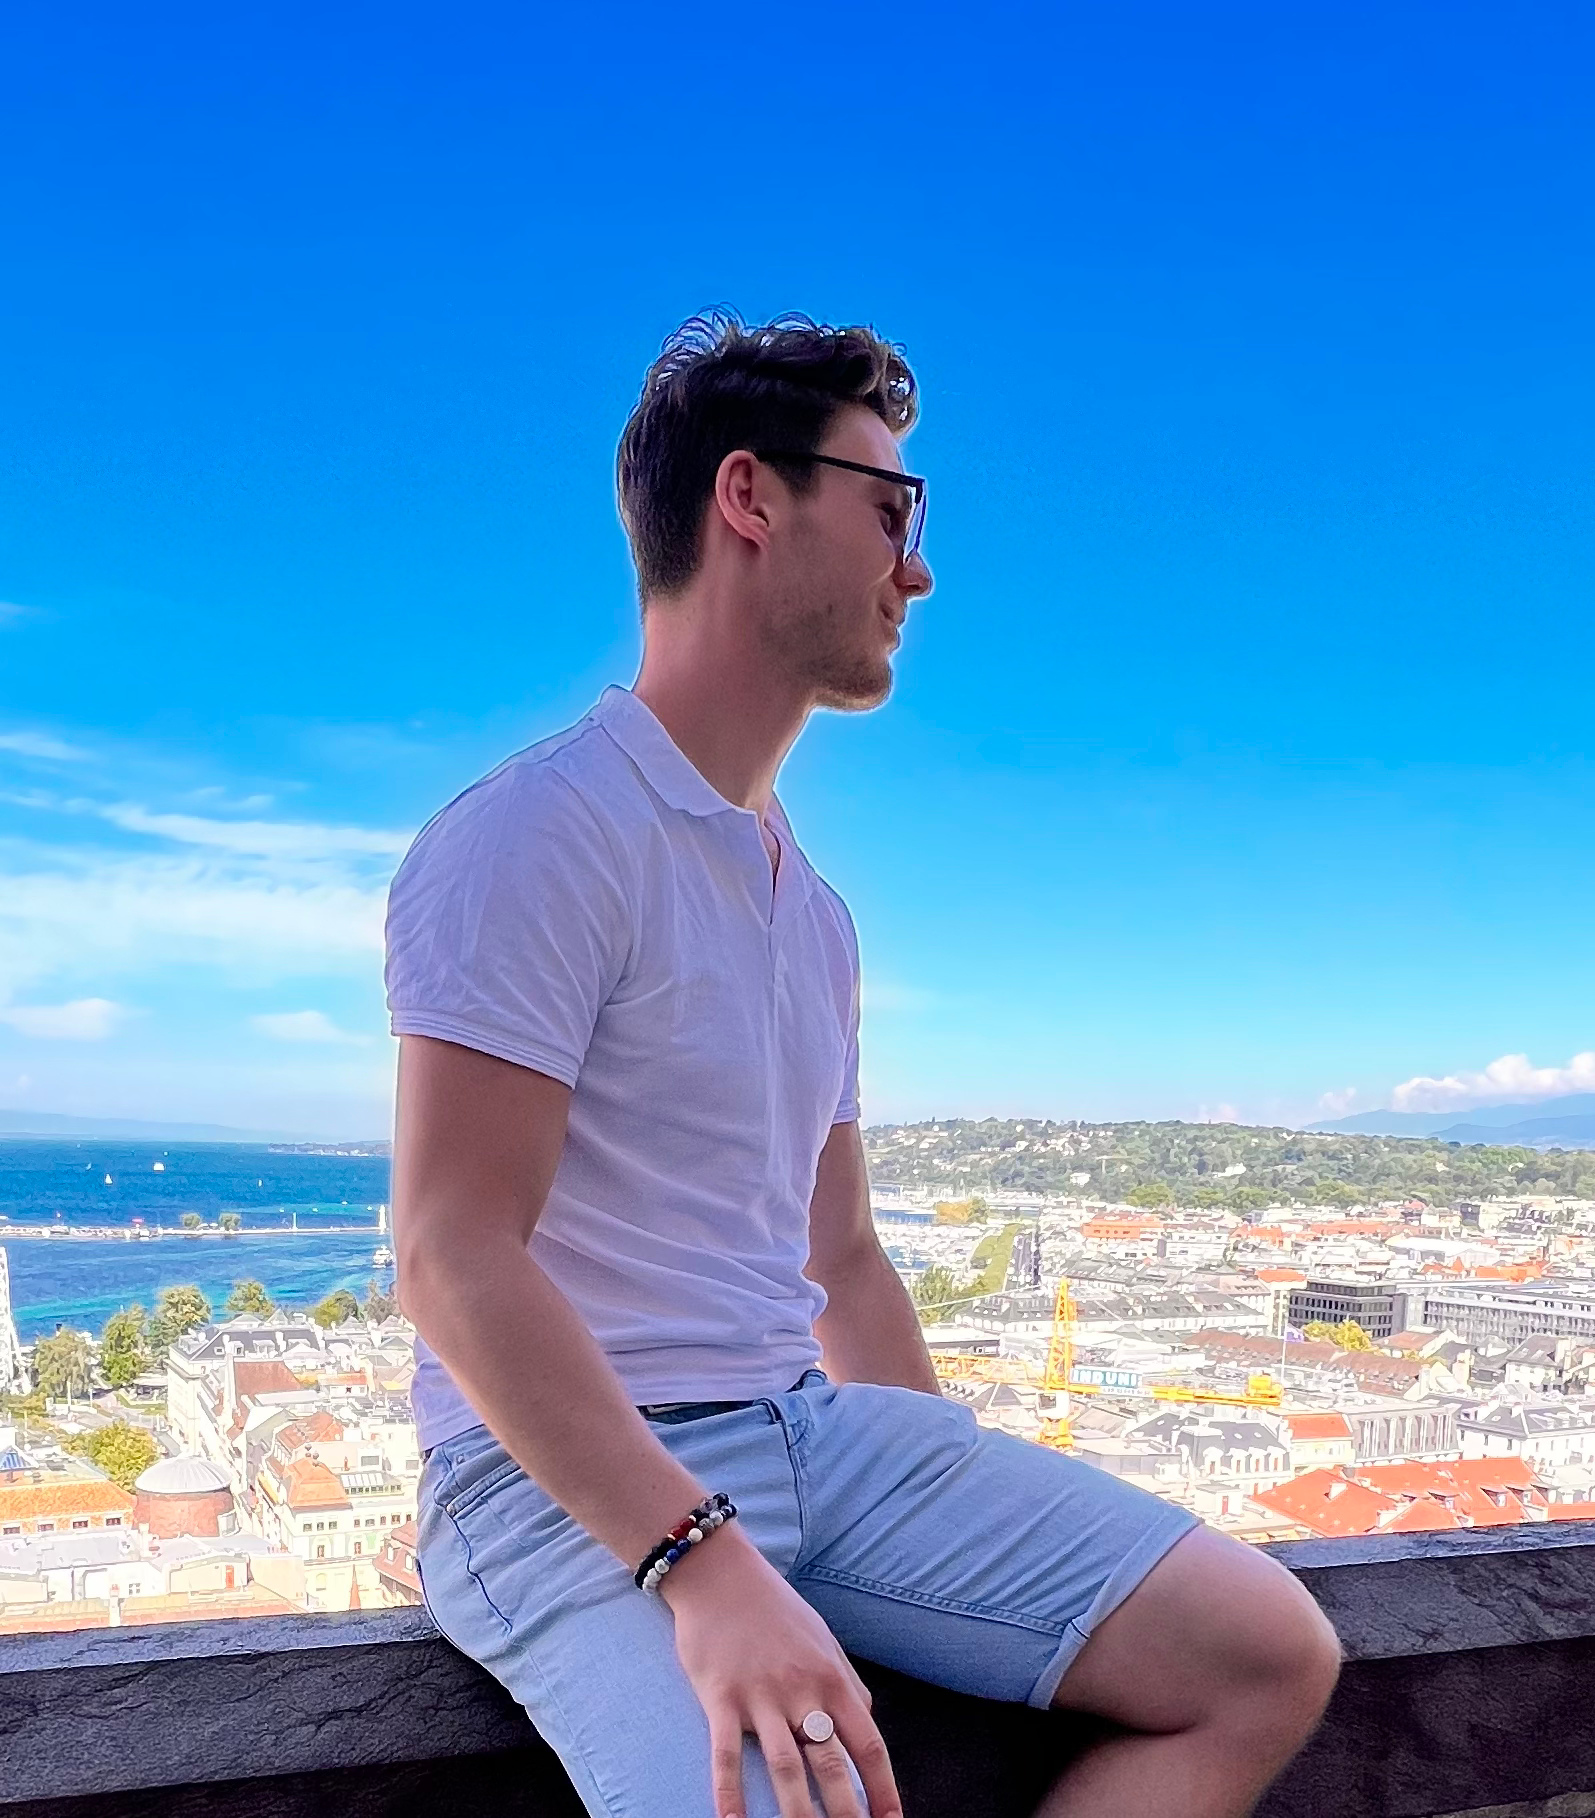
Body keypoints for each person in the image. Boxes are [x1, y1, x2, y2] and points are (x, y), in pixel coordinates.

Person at [385, 312, 1341, 1818]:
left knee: (1267, 1655)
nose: (920, 569)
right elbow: (451, 1250)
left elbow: (840, 1258)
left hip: (813, 1438)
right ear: (750, 498)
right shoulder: (539, 833)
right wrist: (699, 1562)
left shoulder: (813, 912)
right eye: (893, 511)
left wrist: (940, 1506)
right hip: (562, 1486)